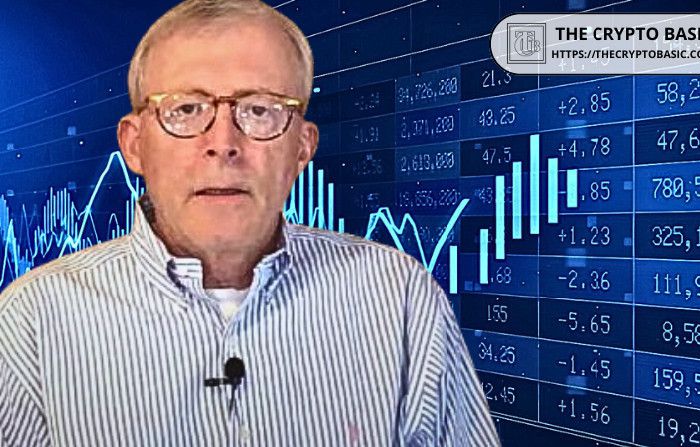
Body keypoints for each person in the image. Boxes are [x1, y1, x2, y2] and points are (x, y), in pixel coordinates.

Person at [0, 0, 501, 445]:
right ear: (134, 145)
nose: (223, 144)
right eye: (186, 109)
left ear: (302, 146)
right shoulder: (32, 321)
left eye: (260, 110)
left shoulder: (400, 298)